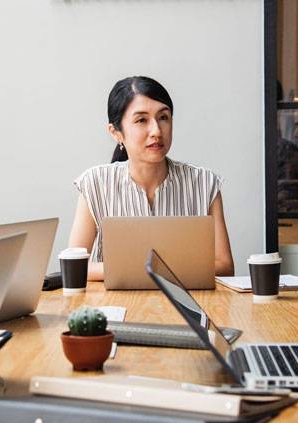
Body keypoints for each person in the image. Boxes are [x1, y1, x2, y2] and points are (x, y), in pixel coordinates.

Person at [68, 76, 234, 280]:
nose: (156, 131)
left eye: (163, 117)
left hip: (185, 306)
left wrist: (143, 269)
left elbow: (224, 266)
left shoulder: (204, 183)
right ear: (116, 132)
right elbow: (74, 265)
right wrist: (150, 269)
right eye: (141, 120)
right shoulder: (94, 183)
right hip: (113, 307)